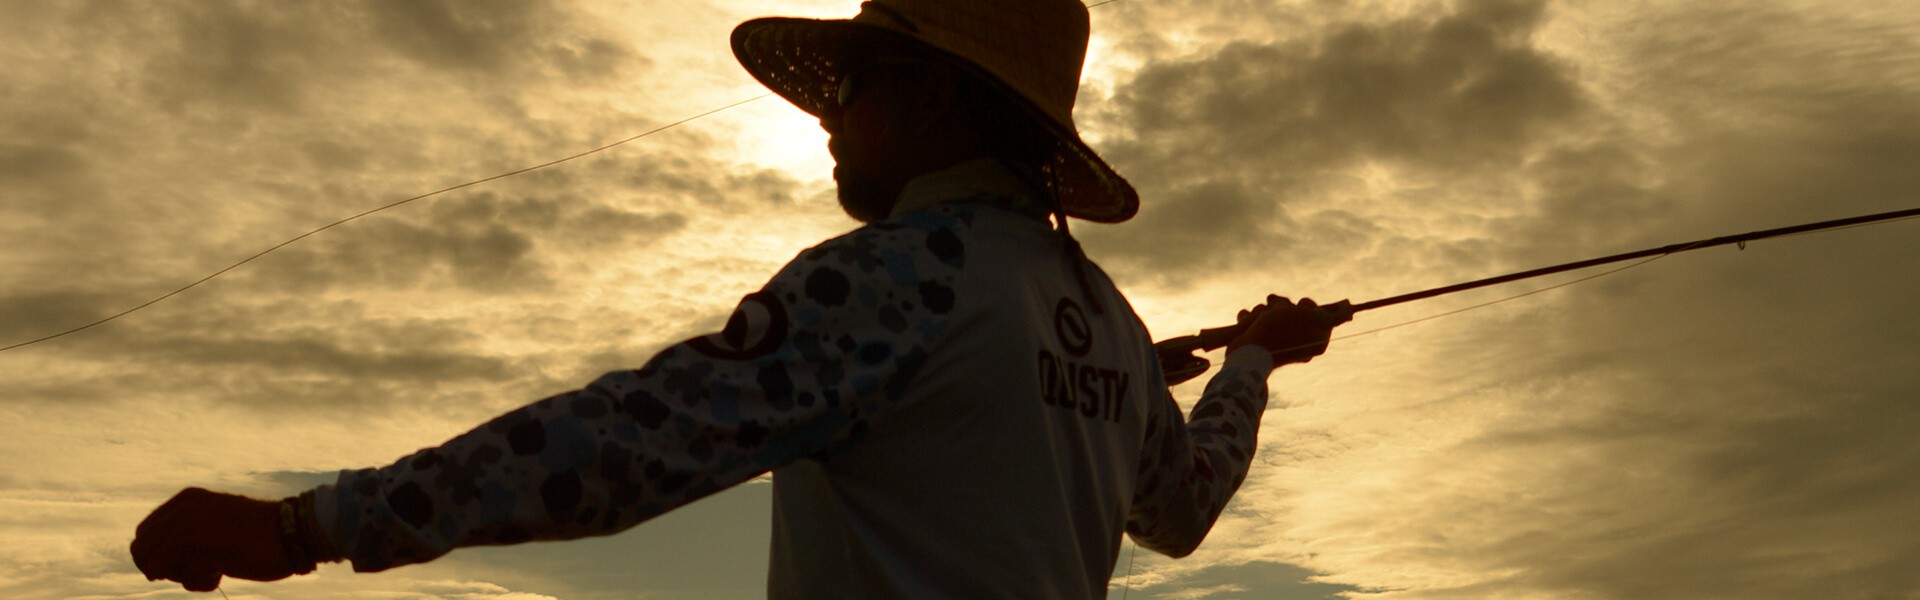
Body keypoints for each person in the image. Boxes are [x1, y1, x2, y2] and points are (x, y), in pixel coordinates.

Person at [130, 1, 1350, 597]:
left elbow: (627, 445)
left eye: (855, 83)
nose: (830, 116)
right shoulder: (1114, 327)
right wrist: (1249, 369)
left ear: (934, 99)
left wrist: (309, 528)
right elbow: (1178, 513)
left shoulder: (898, 282)